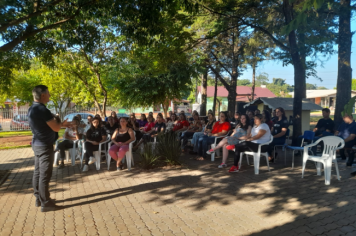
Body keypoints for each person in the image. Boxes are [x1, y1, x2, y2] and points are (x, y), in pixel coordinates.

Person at [28, 85, 71, 212]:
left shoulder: (32, 108)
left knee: (37, 172)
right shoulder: (42, 110)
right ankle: (46, 203)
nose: (49, 95)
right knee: (44, 175)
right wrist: (61, 122)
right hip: (44, 146)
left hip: (37, 144)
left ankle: (39, 198)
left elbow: (48, 125)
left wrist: (60, 123)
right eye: (48, 93)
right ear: (42, 95)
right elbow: (56, 128)